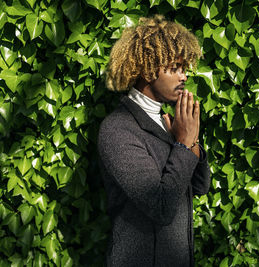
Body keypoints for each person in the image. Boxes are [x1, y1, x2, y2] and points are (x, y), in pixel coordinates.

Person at [97, 15, 211, 267]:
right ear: (149, 71)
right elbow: (160, 206)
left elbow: (201, 186)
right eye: (175, 68)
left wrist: (191, 141)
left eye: (184, 69)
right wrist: (183, 144)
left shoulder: (167, 122)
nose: (184, 76)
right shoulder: (118, 130)